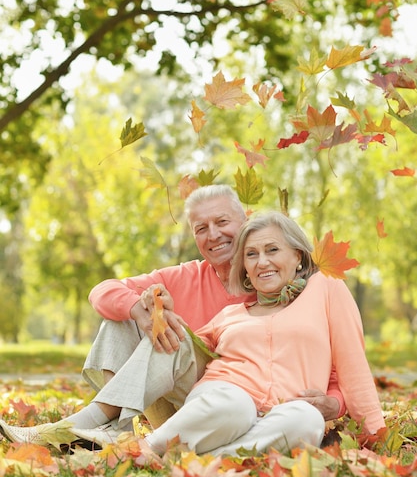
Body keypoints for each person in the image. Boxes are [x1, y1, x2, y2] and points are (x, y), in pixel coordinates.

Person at [0, 188, 344, 448]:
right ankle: (102, 423)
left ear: (246, 221)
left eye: (223, 222)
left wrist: (335, 402)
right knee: (131, 316)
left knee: (175, 333)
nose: (213, 235)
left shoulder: (286, 282)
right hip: (190, 398)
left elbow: (330, 361)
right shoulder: (185, 276)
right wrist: (140, 309)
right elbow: (103, 291)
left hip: (258, 399)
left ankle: (118, 434)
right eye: (201, 228)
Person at [141, 210, 385, 456]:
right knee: (236, 406)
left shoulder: (325, 288)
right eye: (251, 254)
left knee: (308, 420)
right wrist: (165, 315)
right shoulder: (229, 314)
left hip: (283, 415)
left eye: (272, 250)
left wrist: (376, 434)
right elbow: (183, 350)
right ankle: (150, 447)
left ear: (297, 255)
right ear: (245, 267)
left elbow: (353, 365)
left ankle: (199, 457)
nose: (262, 262)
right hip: (223, 399)